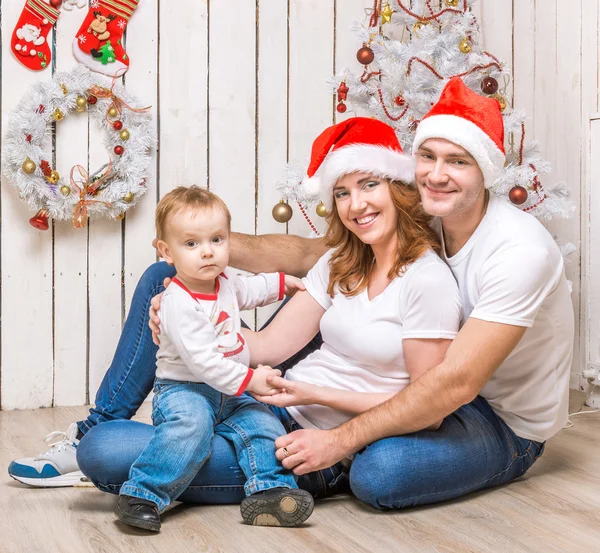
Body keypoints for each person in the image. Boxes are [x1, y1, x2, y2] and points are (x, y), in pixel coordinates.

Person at [10, 76, 573, 510]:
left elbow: (447, 389)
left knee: (381, 473)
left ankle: (300, 466)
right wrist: (189, 315)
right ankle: (130, 434)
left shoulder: (508, 253)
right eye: (428, 158)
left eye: (458, 161)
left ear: (487, 171)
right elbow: (282, 322)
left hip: (491, 416)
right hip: (295, 410)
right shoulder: (408, 228)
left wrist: (336, 437)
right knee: (167, 292)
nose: (438, 174)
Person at [112, 186, 313, 531]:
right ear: (166, 251)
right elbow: (203, 363)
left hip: (230, 391)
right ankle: (143, 493)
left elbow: (251, 290)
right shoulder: (178, 302)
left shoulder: (225, 281)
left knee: (264, 425)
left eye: (217, 240)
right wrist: (251, 380)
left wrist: (282, 284)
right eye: (191, 244)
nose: (207, 252)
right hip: (186, 390)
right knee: (191, 429)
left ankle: (270, 492)